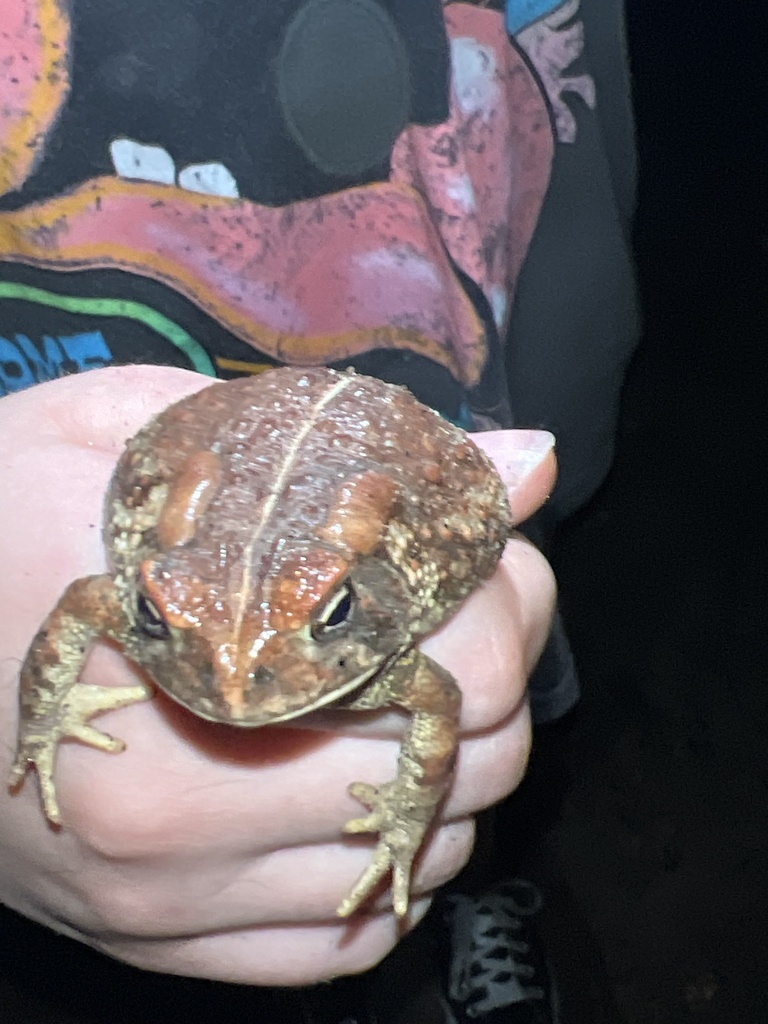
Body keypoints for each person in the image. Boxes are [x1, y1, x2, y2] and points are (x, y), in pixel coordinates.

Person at [0, 0, 638, 1020]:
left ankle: (476, 892)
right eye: (165, 621)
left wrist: (401, 815)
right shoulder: (136, 599)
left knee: (513, 693)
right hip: (183, 451)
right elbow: (83, 605)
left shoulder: (378, 621)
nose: (230, 678)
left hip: (437, 375)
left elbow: (430, 701)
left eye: (326, 620)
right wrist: (47, 718)